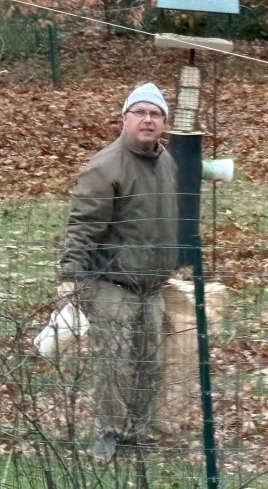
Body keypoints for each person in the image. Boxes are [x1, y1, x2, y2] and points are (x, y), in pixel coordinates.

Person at [57, 82, 178, 461]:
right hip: (114, 283)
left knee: (150, 364)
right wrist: (70, 276)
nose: (147, 120)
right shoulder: (105, 166)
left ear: (163, 123)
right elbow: (82, 226)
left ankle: (138, 435)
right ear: (125, 118)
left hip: (153, 285)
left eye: (155, 114)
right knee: (115, 362)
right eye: (139, 112)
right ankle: (108, 434)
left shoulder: (167, 162)